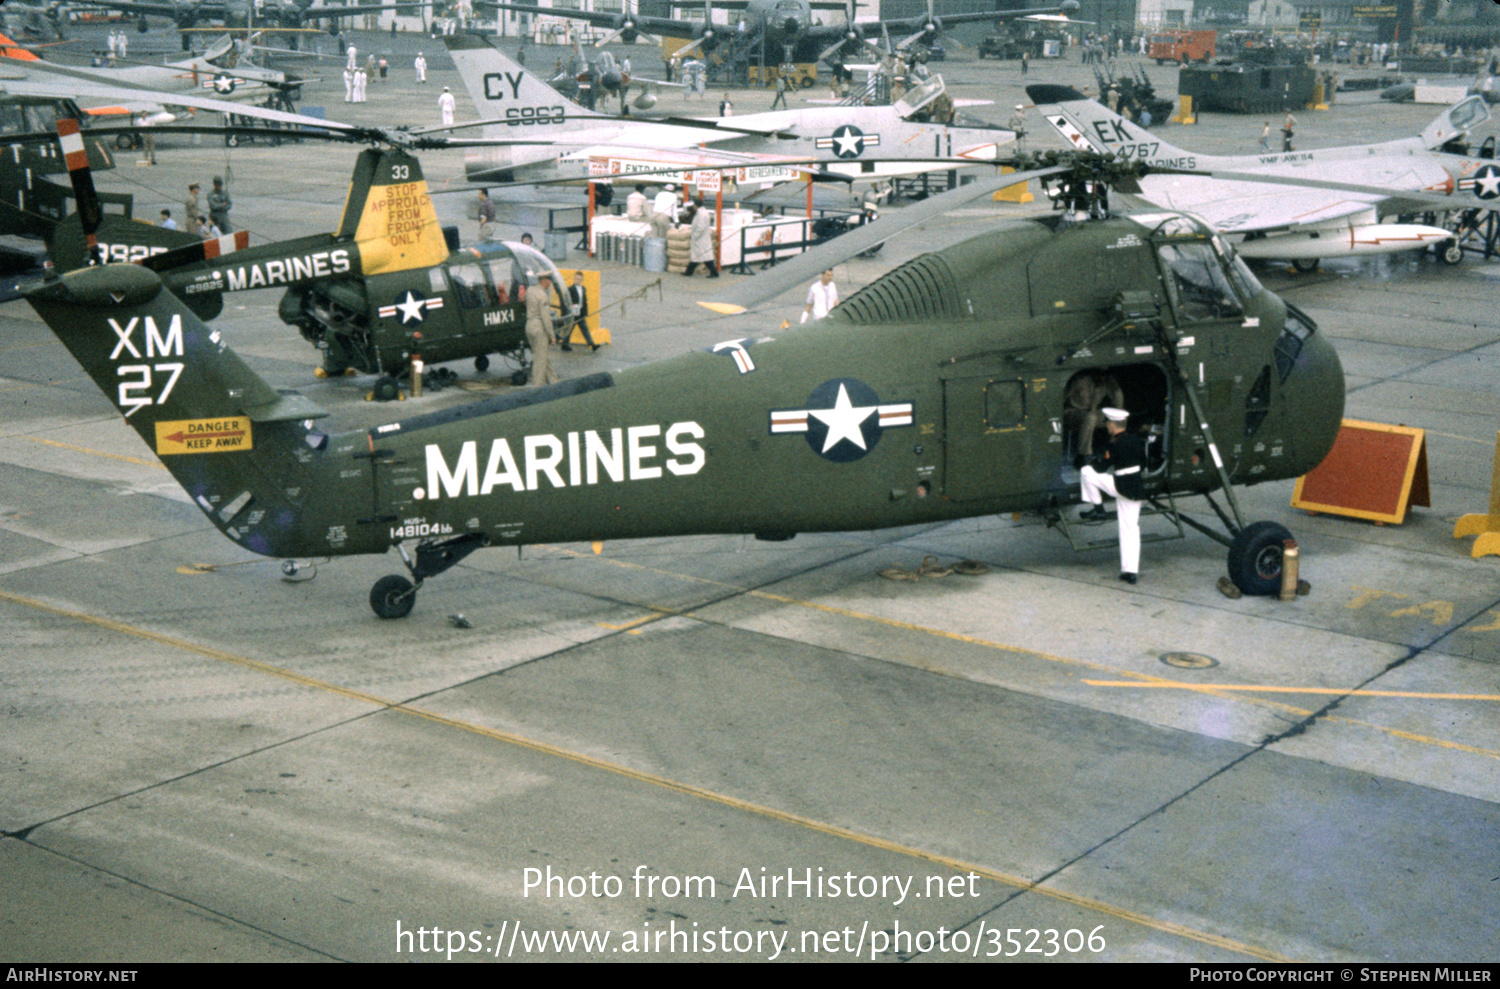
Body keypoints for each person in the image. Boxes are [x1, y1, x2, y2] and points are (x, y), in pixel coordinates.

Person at [1078, 407, 1146, 584]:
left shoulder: (1114, 444)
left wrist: (1093, 461)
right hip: (1136, 487)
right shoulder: (1137, 440)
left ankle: (1098, 508)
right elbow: (1144, 464)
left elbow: (1102, 468)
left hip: (1120, 485)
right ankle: (1130, 572)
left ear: (1112, 424)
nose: (1107, 426)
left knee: (1086, 472)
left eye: (1107, 423)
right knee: (1130, 529)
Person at [1064, 371, 1125, 462]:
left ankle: (1113, 450)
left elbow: (1118, 405)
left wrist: (1116, 388)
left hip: (1091, 413)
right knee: (1090, 417)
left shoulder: (1105, 384)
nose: (1102, 377)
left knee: (1119, 415)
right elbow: (1062, 396)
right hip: (1072, 412)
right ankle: (1084, 455)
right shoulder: (1081, 380)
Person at [525, 273, 561, 386]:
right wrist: (552, 335)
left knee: (542, 355)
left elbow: (523, 300)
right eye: (549, 280)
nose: (550, 283)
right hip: (539, 328)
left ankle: (554, 382)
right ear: (544, 281)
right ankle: (537, 387)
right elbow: (546, 318)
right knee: (540, 361)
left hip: (529, 326)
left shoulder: (530, 290)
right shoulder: (543, 296)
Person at [561, 270, 598, 351]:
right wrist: (571, 308)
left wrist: (585, 312)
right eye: (576, 279)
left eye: (579, 279)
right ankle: (564, 344)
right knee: (569, 328)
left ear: (582, 280)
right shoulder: (570, 289)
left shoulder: (583, 289)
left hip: (580, 312)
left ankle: (592, 344)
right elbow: (566, 301)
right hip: (573, 313)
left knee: (585, 329)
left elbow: (584, 301)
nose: (577, 280)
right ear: (574, 279)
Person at [684, 199, 719, 277]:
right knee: (697, 257)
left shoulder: (702, 214)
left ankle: (714, 273)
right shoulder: (701, 212)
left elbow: (700, 227)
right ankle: (688, 272)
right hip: (700, 238)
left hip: (700, 238)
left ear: (695, 205)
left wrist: (694, 236)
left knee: (704, 257)